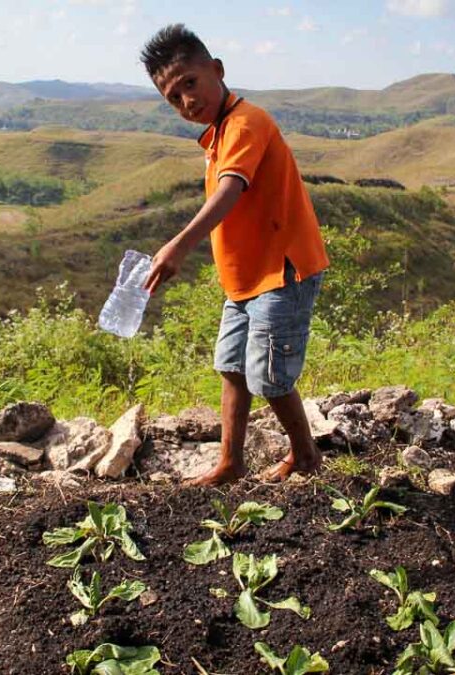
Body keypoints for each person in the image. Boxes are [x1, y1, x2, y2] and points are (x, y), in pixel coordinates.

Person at [139, 24, 330, 486]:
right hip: (246, 278)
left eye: (190, 82)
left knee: (268, 377)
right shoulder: (219, 131)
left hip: (282, 270)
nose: (185, 99)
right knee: (231, 366)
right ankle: (231, 463)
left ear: (217, 70)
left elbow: (231, 190)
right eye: (172, 96)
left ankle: (306, 457)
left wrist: (178, 245)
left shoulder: (247, 122)